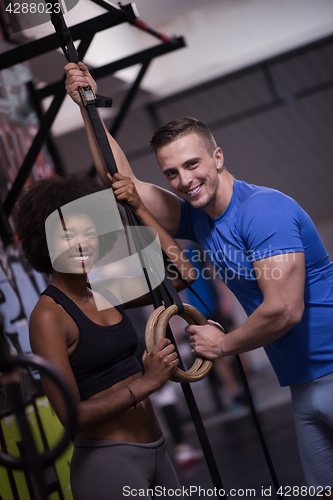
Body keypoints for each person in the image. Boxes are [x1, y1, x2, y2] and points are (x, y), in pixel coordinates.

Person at [65, 63, 333, 492]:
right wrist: (87, 107)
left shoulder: (263, 210)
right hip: (303, 383)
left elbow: (284, 310)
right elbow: (123, 183)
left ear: (218, 157)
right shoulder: (200, 217)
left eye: (192, 164)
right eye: (172, 172)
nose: (184, 181)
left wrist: (223, 344)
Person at [13, 173, 196, 500]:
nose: (83, 243)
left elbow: (183, 275)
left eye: (90, 233)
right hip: (108, 462)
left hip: (158, 450)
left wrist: (139, 208)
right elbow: (71, 416)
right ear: (46, 241)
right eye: (69, 235)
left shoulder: (105, 291)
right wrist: (146, 382)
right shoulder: (48, 315)